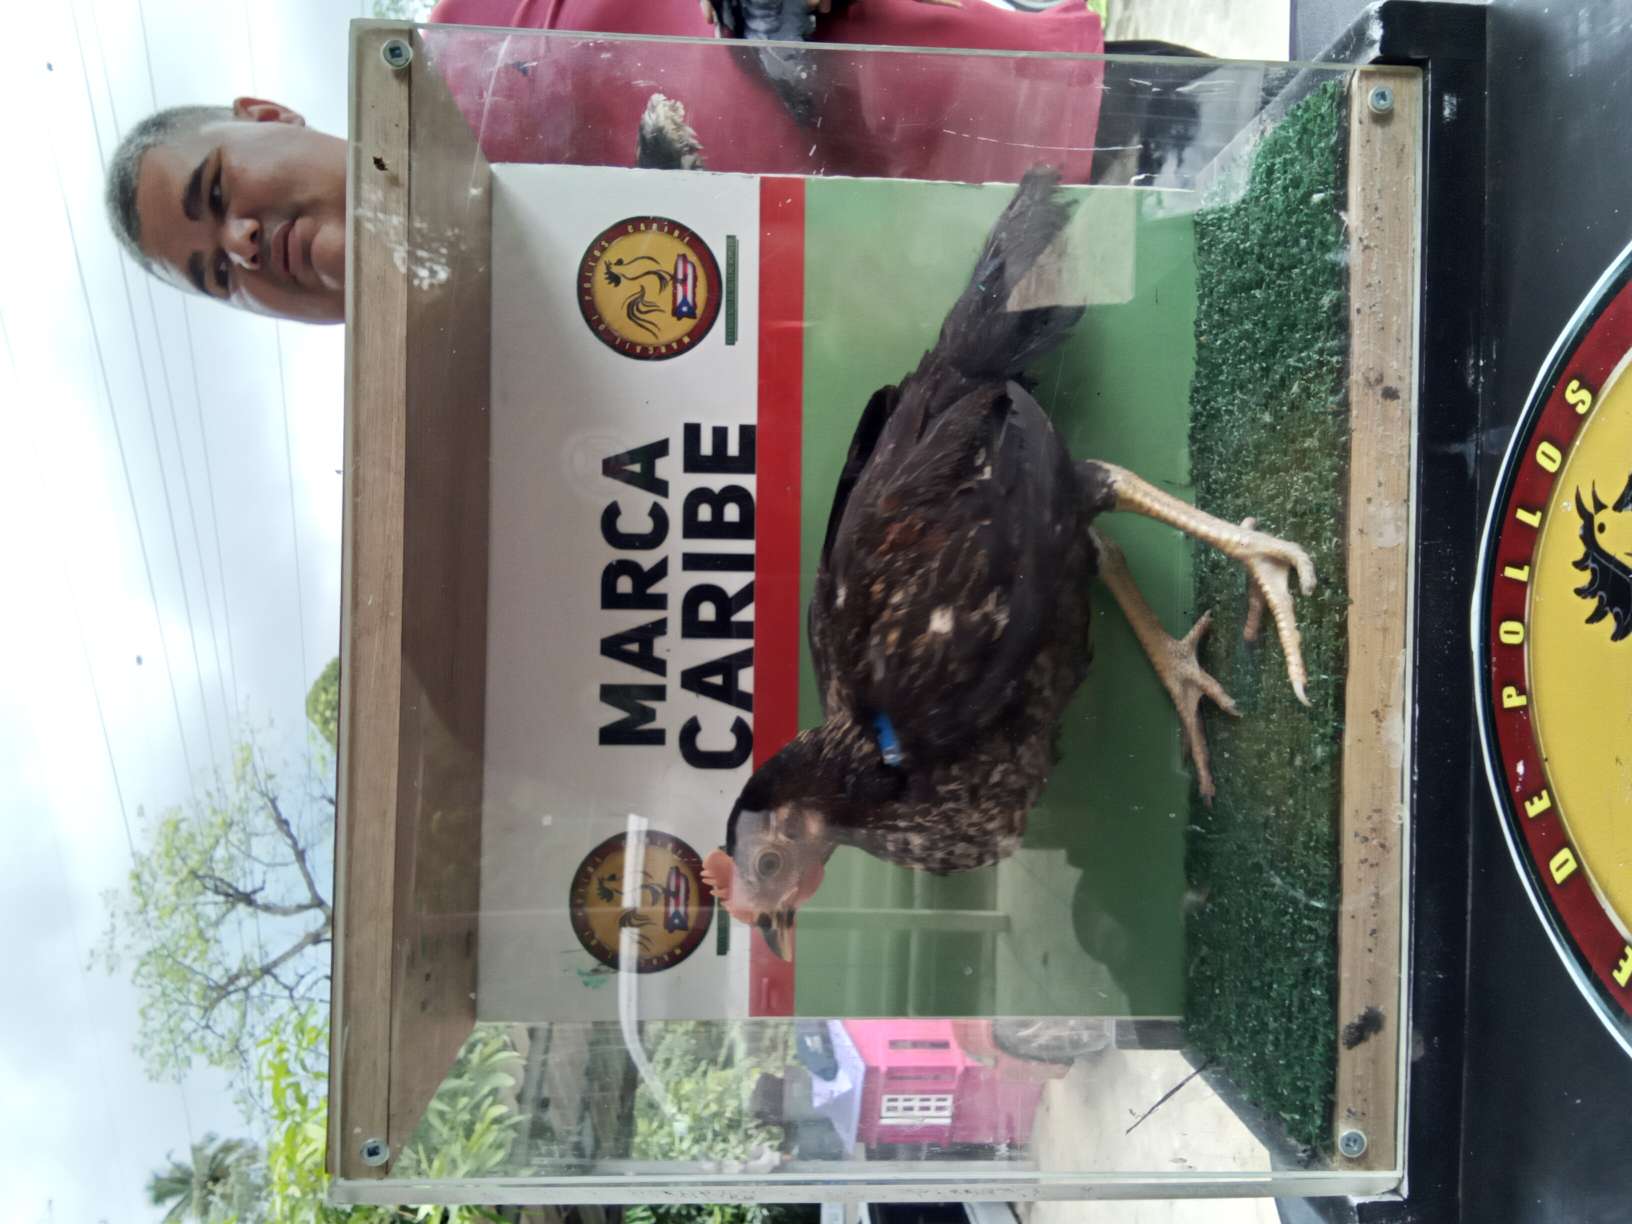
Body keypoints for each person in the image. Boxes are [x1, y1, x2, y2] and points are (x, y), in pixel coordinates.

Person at [106, 0, 1103, 325]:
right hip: (994, 355)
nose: (242, 243)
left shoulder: (474, 24)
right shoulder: (475, 425)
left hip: (1057, 142)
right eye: (215, 273)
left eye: (216, 192)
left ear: (266, 114)